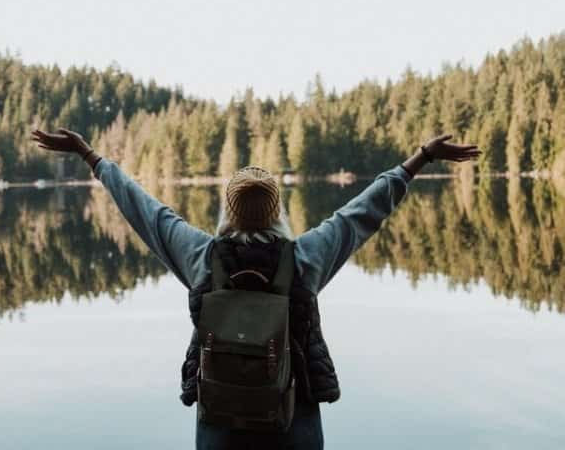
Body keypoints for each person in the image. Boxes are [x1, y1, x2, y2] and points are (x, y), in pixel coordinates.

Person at [31, 127, 481, 449]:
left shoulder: (202, 258)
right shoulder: (305, 258)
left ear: (227, 211)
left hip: (220, 418)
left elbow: (143, 209)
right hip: (293, 415)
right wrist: (422, 156)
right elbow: (365, 210)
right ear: (277, 212)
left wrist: (90, 156)